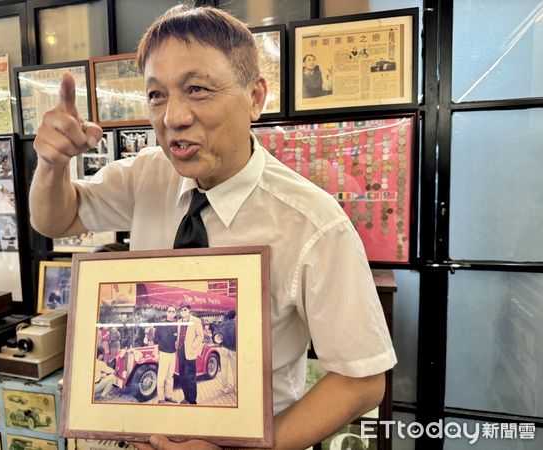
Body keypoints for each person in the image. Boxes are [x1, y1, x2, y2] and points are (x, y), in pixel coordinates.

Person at [30, 5, 395, 449]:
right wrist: (51, 166)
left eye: (197, 89)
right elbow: (56, 218)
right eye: (156, 95)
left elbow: (362, 380)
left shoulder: (313, 223)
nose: (173, 117)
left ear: (256, 97)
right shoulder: (149, 174)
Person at [175, 303, 204, 405]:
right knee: (182, 377)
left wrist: (193, 347)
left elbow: (200, 336)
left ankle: (192, 401)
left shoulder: (195, 320)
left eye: (185, 310)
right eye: (181, 310)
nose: (183, 312)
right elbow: (178, 337)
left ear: (189, 311)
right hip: (181, 352)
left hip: (190, 352)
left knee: (190, 377)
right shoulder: (179, 322)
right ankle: (186, 397)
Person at [154, 306, 179, 404]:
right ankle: (160, 398)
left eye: (173, 312)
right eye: (170, 311)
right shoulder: (161, 324)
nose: (171, 313)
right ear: (166, 312)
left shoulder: (177, 325)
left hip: (173, 354)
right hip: (163, 354)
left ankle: (168, 396)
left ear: (175, 313)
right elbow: (155, 340)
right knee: (161, 377)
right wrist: (156, 354)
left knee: (170, 377)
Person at [214, 309, 237, 394]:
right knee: (235, 369)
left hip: (223, 348)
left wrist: (220, 341)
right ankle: (236, 388)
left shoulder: (222, 325)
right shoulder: (238, 324)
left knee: (224, 369)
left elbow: (216, 336)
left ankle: (225, 388)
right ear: (235, 316)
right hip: (234, 349)